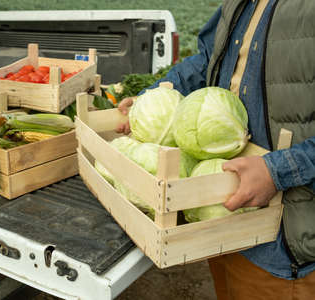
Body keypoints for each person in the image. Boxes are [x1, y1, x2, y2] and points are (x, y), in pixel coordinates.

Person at [117, 0, 315, 299]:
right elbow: (208, 59)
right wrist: (154, 96)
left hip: (287, 242)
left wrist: (278, 171)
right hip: (223, 216)